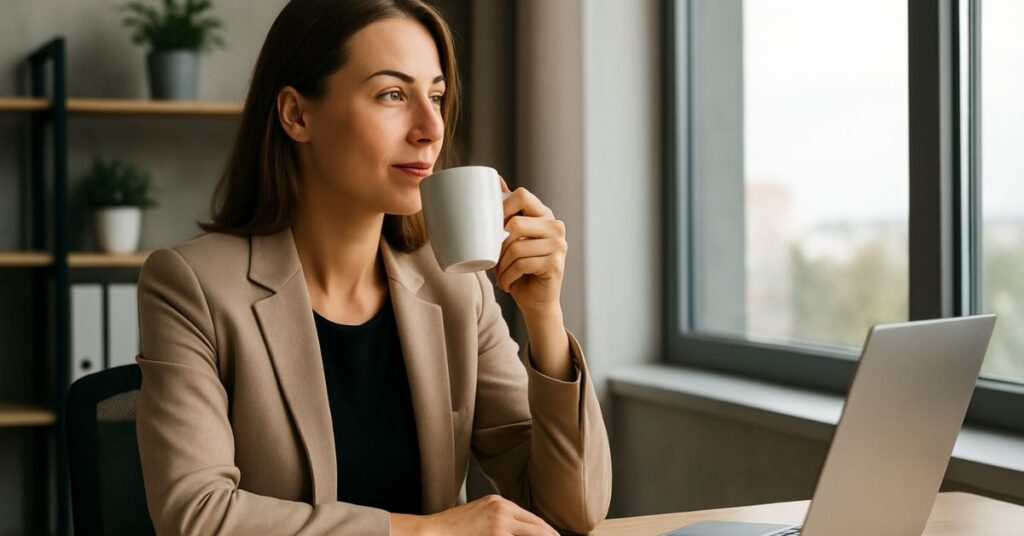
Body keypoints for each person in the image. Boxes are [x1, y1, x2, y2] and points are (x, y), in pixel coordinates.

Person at [135, 0, 611, 534]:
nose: (431, 128)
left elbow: (571, 510)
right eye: (392, 95)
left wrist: (544, 317)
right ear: (297, 115)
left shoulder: (456, 287)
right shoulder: (191, 286)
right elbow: (196, 516)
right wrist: (429, 531)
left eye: (436, 96)